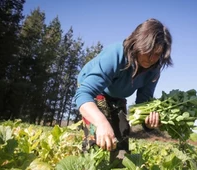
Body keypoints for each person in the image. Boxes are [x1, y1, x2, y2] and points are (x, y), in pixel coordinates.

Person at [74, 18, 173, 167]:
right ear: (138, 43)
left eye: (157, 54)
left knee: (122, 139)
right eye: (149, 52)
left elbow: (143, 102)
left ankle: (118, 165)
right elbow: (84, 94)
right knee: (97, 137)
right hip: (94, 90)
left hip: (117, 95)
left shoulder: (154, 70)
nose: (152, 59)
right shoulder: (115, 55)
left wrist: (149, 122)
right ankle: (88, 163)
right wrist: (101, 122)